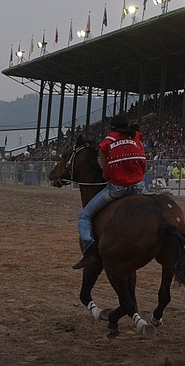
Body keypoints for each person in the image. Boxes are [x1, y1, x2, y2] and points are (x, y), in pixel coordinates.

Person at [73, 113, 147, 269]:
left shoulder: (106, 144)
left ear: (111, 128)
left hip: (117, 189)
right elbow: (143, 165)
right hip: (140, 187)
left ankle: (89, 251)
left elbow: (106, 173)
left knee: (84, 216)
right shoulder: (136, 138)